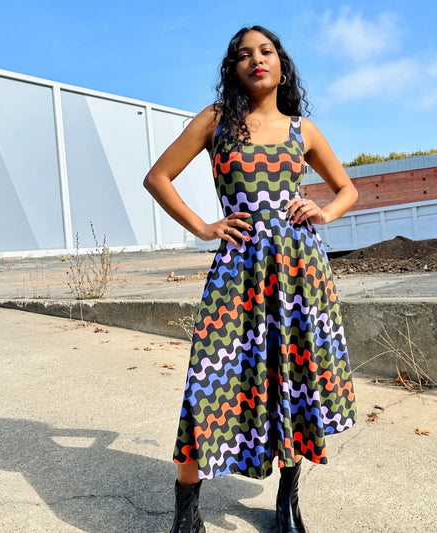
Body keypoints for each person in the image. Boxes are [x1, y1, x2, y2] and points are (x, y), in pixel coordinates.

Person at [144, 25, 358, 533]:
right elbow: (158, 177)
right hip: (237, 273)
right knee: (208, 386)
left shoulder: (302, 130)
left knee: (293, 383)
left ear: (281, 65)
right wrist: (203, 226)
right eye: (243, 54)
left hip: (299, 272)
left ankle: (288, 499)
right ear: (232, 69)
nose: (255, 59)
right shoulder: (215, 121)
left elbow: (346, 188)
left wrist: (323, 211)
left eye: (266, 51)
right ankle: (186, 509)